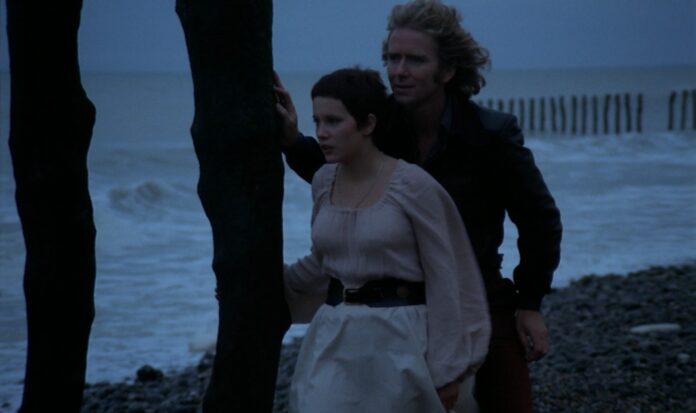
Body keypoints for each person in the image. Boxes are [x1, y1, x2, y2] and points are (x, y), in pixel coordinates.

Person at [274, 1, 563, 412]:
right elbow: (344, 180)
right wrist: (290, 140)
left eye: (414, 60)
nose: (399, 71)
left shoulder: (489, 135)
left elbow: (539, 221)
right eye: (392, 58)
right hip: (400, 306)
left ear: (447, 70)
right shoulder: (381, 126)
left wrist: (530, 303)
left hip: (477, 293)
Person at [280, 67, 490, 412]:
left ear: (368, 124)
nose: (321, 133)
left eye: (333, 121)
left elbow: (450, 276)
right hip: (335, 335)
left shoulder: (414, 186)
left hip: (403, 339)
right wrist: (259, 282)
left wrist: (449, 369)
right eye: (316, 121)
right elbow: (322, 264)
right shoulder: (323, 181)